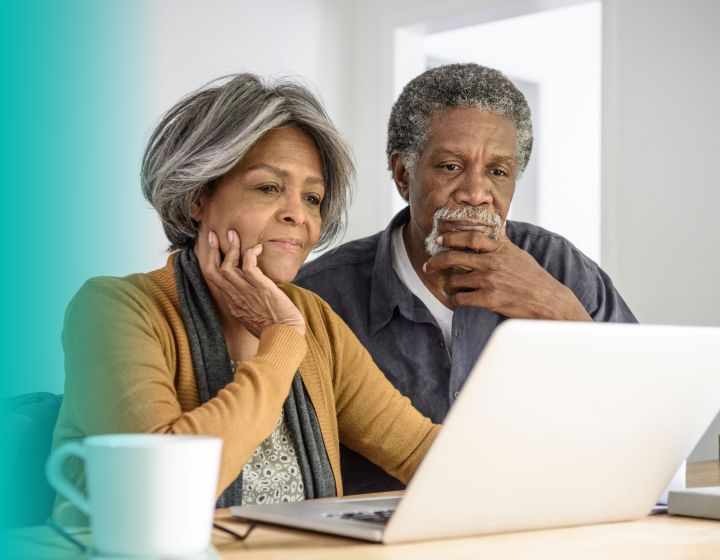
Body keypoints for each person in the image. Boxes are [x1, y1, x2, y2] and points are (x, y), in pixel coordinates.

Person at [52, 74, 438, 524]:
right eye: (269, 188)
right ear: (198, 196)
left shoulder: (314, 319)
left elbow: (417, 449)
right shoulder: (113, 310)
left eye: (312, 197)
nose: (298, 213)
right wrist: (282, 342)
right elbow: (160, 490)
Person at [295, 63, 637, 494]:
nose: (476, 193)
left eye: (498, 171)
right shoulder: (323, 293)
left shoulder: (559, 267)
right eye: (452, 166)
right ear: (403, 174)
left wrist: (557, 309)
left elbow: (645, 417)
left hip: (539, 522)